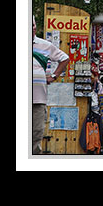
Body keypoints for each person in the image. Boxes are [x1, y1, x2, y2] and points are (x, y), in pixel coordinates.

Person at [33, 16, 69, 154]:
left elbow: (64, 58)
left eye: (34, 25)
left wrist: (54, 75)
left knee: (36, 134)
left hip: (38, 99)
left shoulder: (44, 45)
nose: (32, 28)